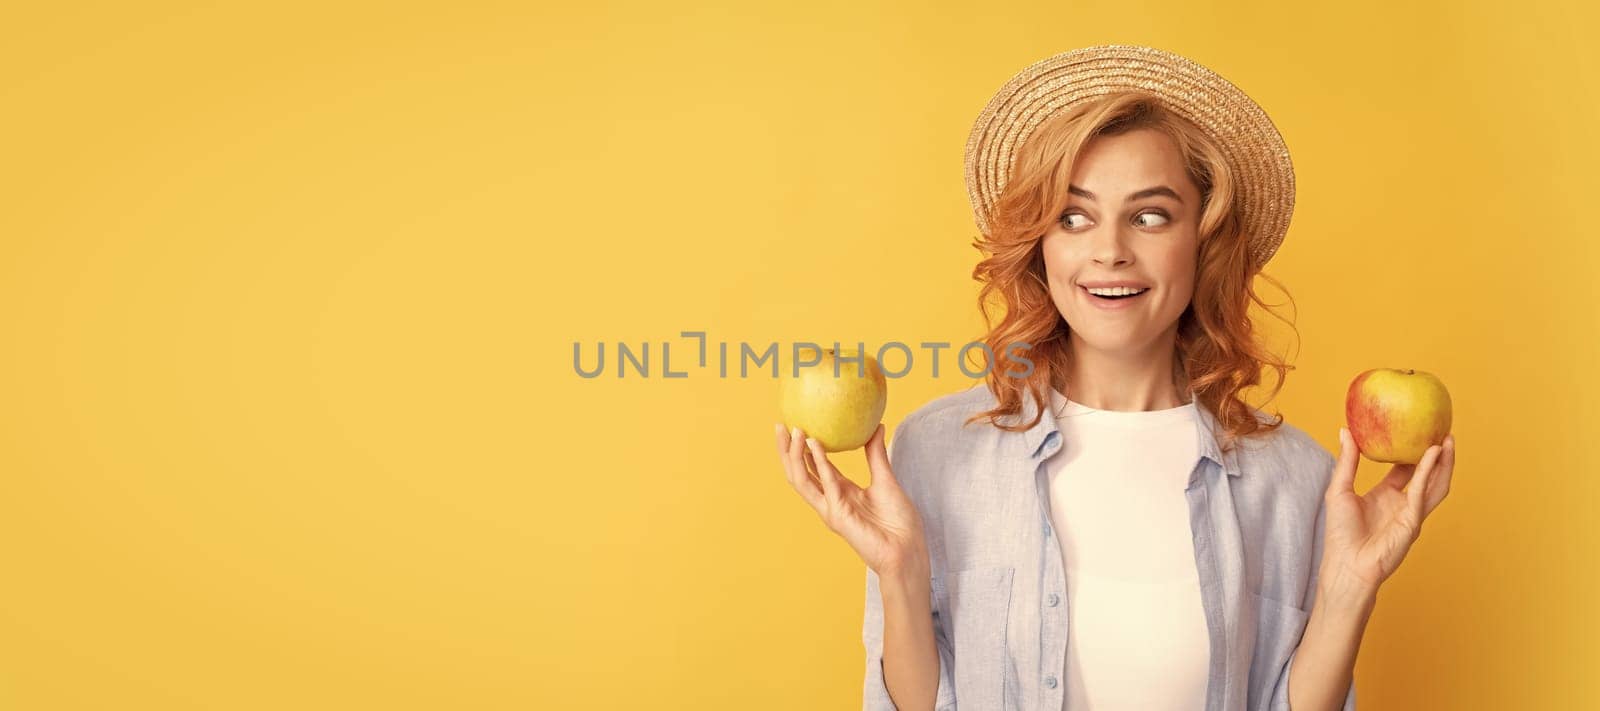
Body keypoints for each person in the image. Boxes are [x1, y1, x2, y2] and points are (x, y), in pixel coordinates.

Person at [774, 45, 1456, 711]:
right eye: (1073, 216)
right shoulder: (938, 450)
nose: (1109, 250)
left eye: (1150, 215)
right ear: (1042, 245)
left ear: (1204, 238)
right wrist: (899, 572)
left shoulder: (1297, 479)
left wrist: (1350, 585)